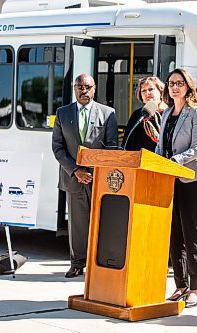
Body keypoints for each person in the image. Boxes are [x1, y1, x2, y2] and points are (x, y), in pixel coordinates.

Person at [52, 73, 118, 278]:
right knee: (78, 225)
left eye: (88, 87)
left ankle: (101, 264)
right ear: (74, 89)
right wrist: (75, 171)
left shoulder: (107, 113)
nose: (84, 90)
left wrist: (94, 171)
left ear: (94, 88)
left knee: (103, 223)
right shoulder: (63, 113)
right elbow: (58, 148)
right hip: (74, 179)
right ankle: (77, 264)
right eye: (80, 87)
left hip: (99, 179)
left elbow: (112, 147)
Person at [155, 68, 197, 307]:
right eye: (171, 83)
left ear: (188, 86)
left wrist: (171, 162)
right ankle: (180, 285)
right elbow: (161, 145)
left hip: (192, 180)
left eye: (179, 83)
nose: (174, 87)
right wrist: (156, 162)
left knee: (193, 234)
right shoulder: (167, 112)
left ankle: (196, 288)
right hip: (169, 180)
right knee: (175, 235)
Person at [122, 76, 166, 151]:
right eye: (143, 91)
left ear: (160, 91)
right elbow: (127, 143)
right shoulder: (137, 115)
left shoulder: (169, 113)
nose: (147, 93)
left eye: (150, 89)